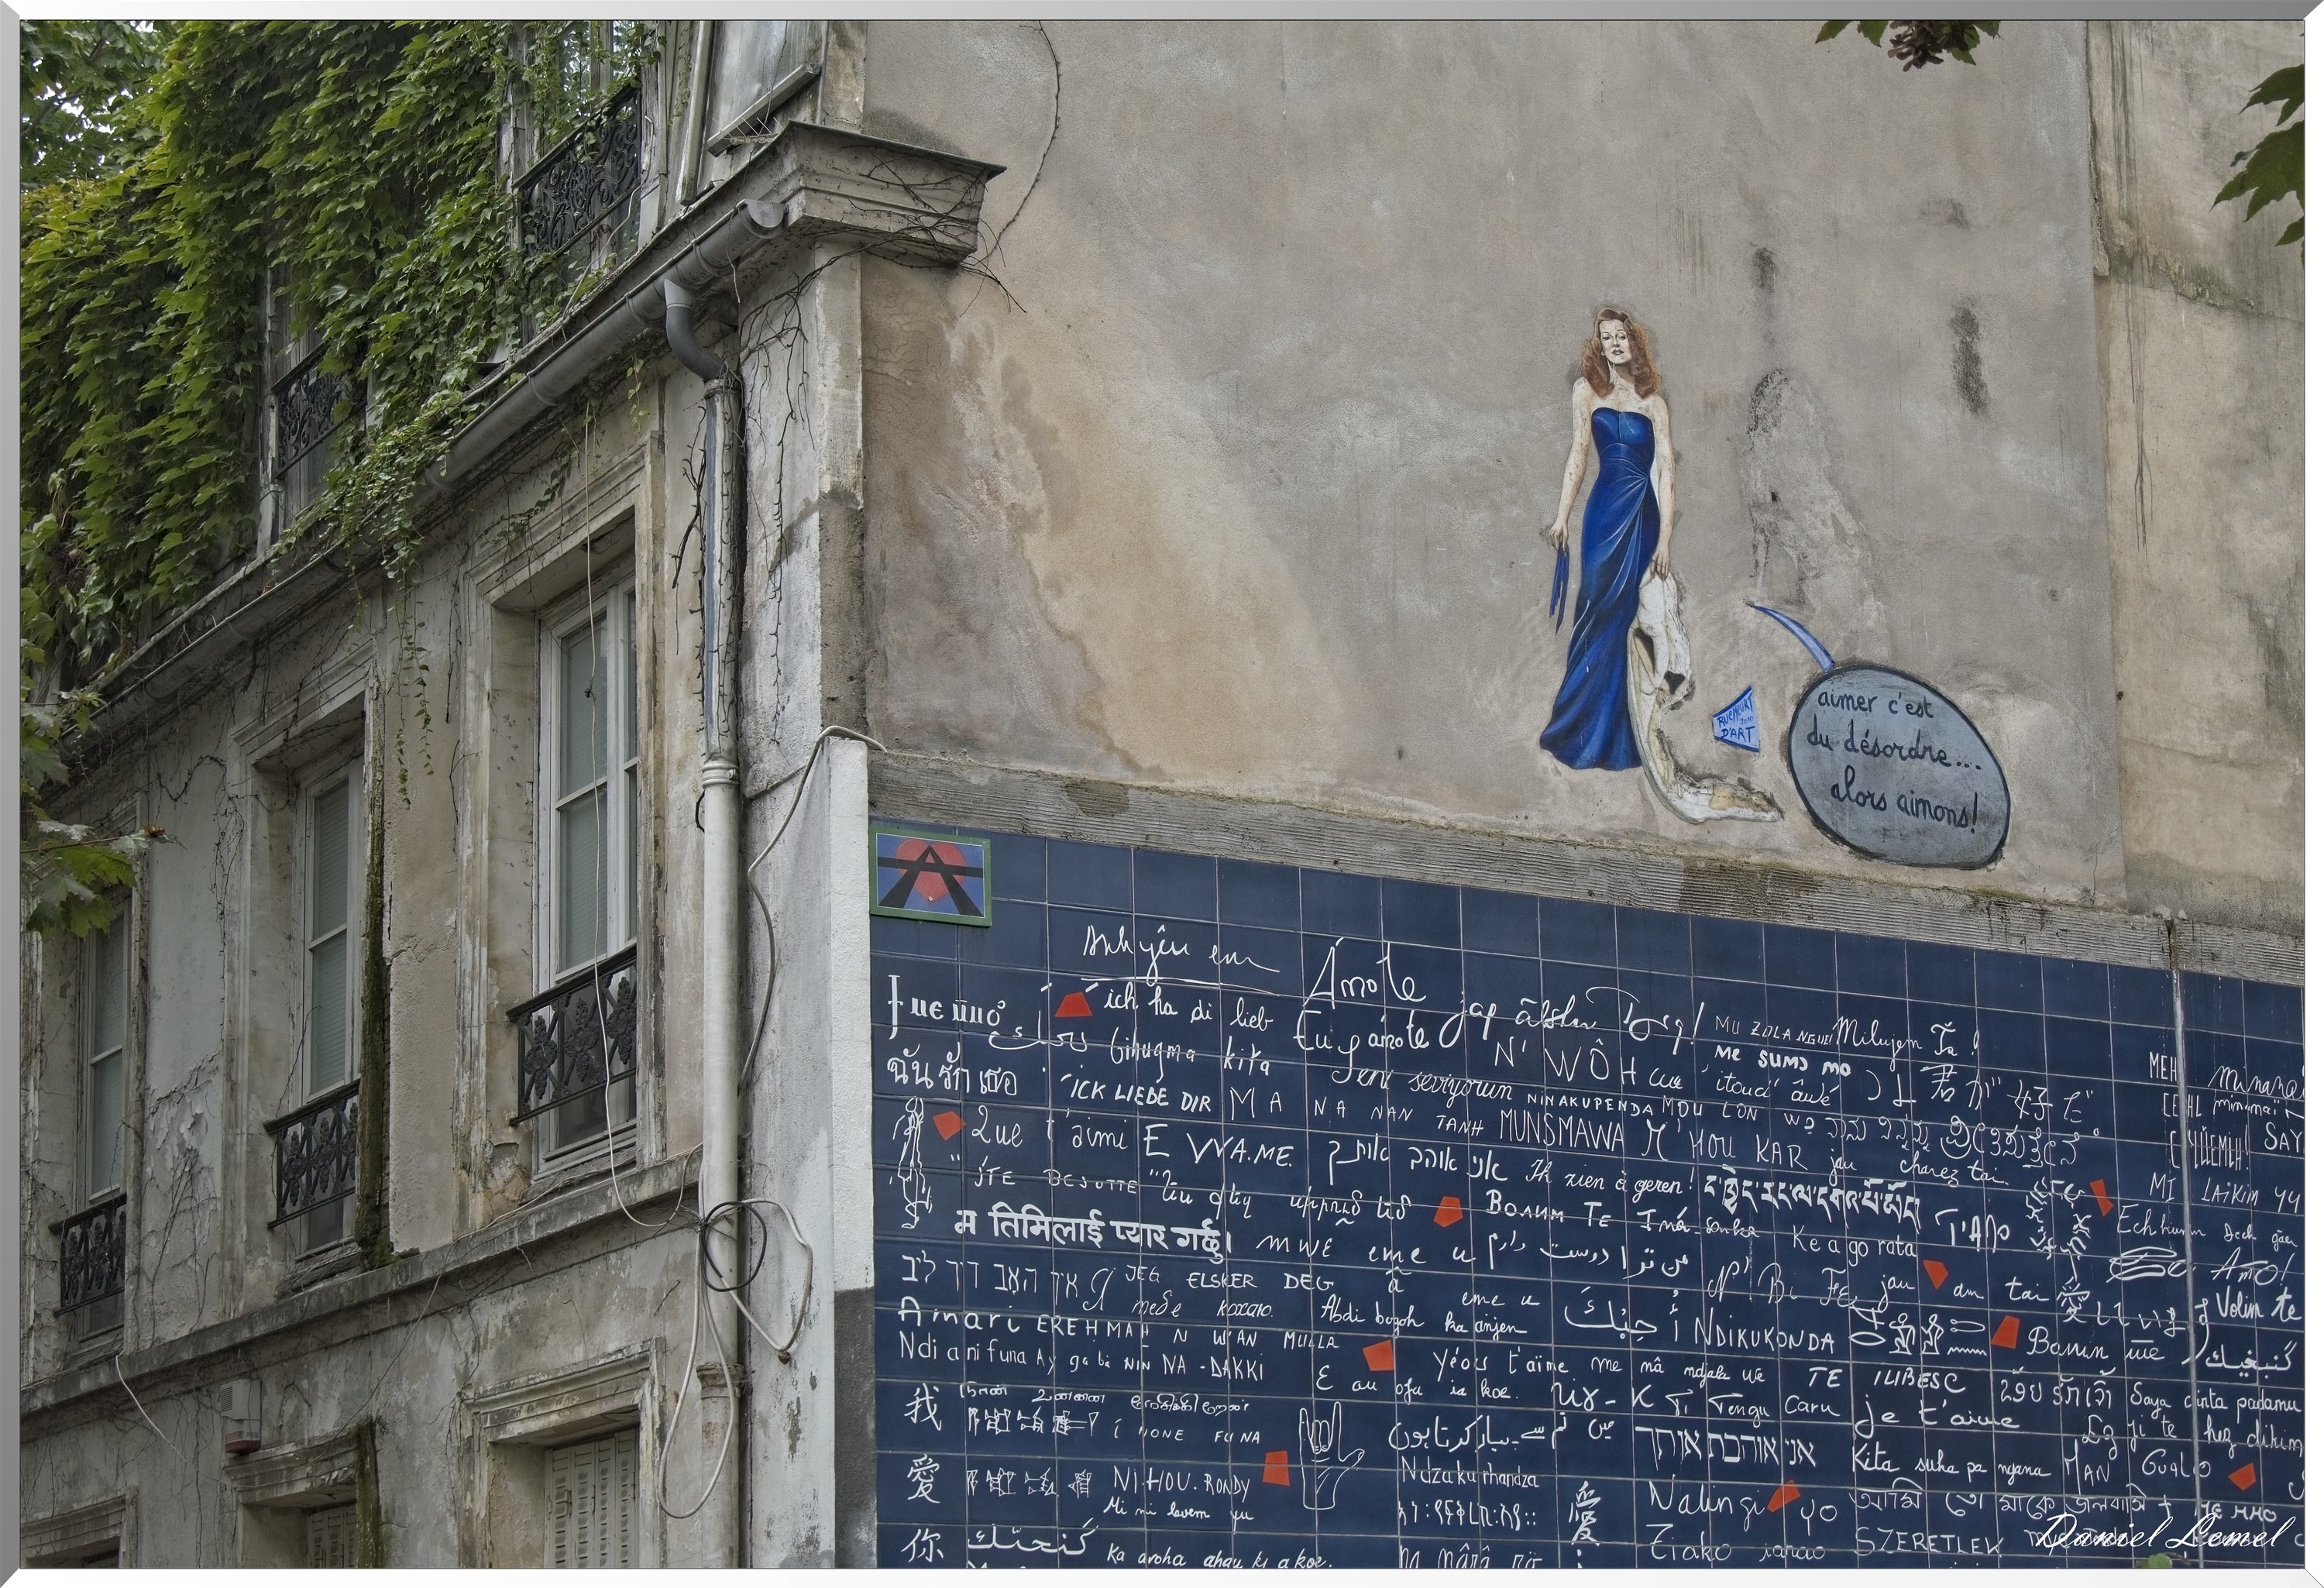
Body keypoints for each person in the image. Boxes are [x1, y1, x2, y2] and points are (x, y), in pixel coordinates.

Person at [1538, 308, 1673, 772]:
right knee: (1595, 609)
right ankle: (1577, 729)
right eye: (1607, 337)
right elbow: (1578, 455)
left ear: (1635, 343)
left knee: (1627, 619)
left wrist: (1666, 541)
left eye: (1622, 336)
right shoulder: (1586, 392)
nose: (1615, 343)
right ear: (1600, 345)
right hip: (1601, 516)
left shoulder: (1653, 401)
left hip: (1641, 516)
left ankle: (1622, 737)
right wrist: (1561, 518)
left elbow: (1667, 472)